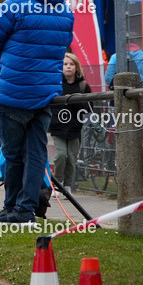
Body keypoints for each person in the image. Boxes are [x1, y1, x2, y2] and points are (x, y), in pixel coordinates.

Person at [0, 0, 74, 223]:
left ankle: (11, 208)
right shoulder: (64, 8)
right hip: (46, 93)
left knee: (12, 153)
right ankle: (26, 209)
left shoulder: (15, 4)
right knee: (36, 153)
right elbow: (63, 43)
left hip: (13, 91)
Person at [49, 52, 92, 192]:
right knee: (61, 155)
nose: (68, 67)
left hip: (75, 128)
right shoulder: (55, 84)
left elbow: (88, 107)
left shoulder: (83, 86)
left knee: (72, 159)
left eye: (71, 64)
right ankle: (58, 181)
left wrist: (72, 101)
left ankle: (67, 185)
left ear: (76, 67)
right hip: (57, 127)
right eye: (65, 64)